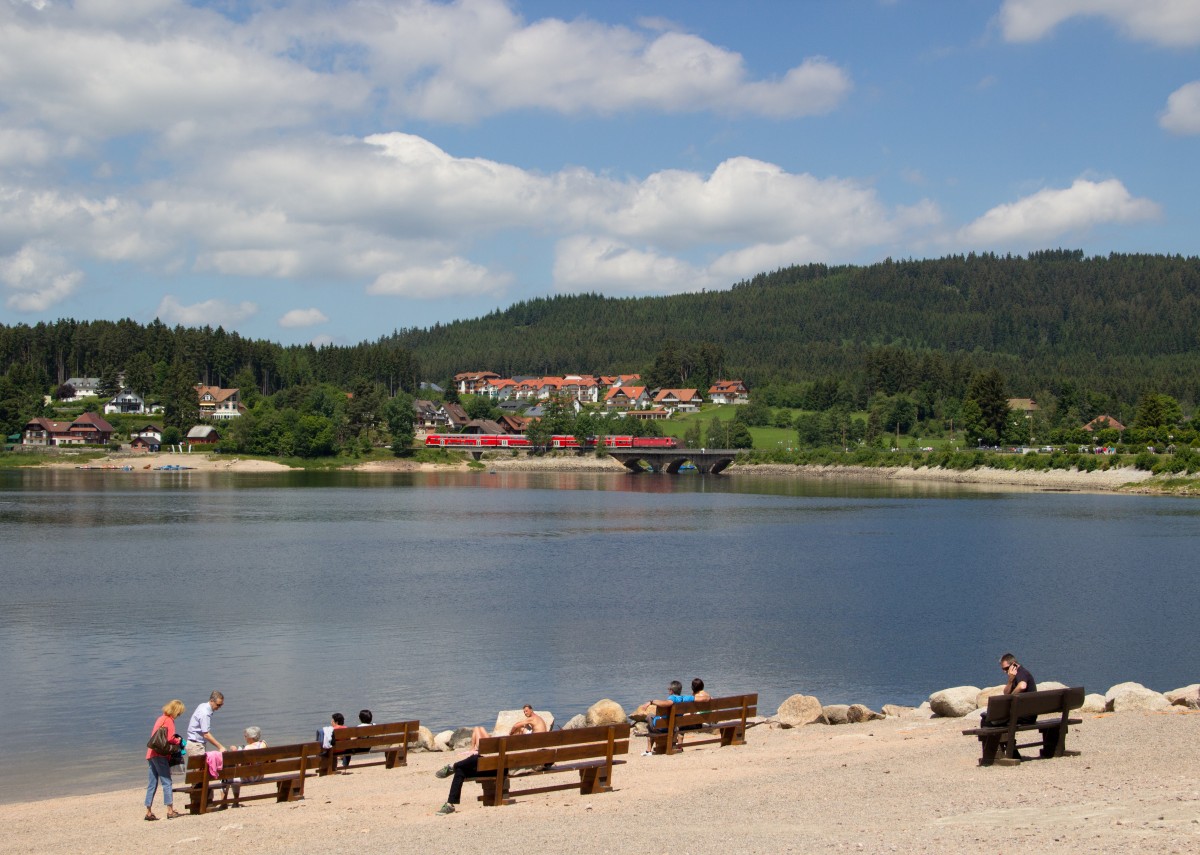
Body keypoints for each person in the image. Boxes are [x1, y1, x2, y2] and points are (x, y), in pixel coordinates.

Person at [434, 704, 546, 815]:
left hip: (504, 768)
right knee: (461, 770)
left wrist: (514, 734)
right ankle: (450, 803)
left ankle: (453, 767)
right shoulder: (534, 749)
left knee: (474, 759)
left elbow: (517, 732)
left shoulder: (527, 752)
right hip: (503, 765)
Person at [981, 653, 1038, 758]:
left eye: (1006, 668)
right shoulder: (1015, 675)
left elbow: (1022, 686)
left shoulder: (1022, 673)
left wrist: (1012, 696)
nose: (1005, 671)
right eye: (1003, 669)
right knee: (990, 718)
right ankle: (1012, 750)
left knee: (987, 720)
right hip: (1026, 715)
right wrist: (1010, 680)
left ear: (1014, 665)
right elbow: (1005, 693)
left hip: (1024, 716)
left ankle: (992, 755)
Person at [144, 699, 185, 821]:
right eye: (179, 713)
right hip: (161, 755)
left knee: (152, 784)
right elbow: (170, 738)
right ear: (176, 711)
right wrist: (180, 741)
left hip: (151, 754)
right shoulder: (169, 721)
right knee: (167, 782)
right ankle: (170, 810)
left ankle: (148, 811)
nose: (179, 715)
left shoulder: (160, 719)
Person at [220, 726, 267, 806]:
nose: (245, 738)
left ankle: (224, 803)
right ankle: (235, 802)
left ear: (250, 737)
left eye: (245, 736)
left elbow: (239, 765)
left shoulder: (247, 748)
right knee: (233, 776)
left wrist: (234, 751)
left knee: (225, 778)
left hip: (250, 777)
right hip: (260, 775)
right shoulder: (263, 744)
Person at [643, 681, 694, 755]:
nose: (668, 690)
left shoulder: (672, 698)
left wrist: (651, 702)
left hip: (664, 727)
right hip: (675, 726)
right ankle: (678, 746)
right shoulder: (685, 698)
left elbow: (668, 703)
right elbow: (698, 698)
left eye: (669, 689)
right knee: (652, 720)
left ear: (672, 691)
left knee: (649, 718)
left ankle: (648, 750)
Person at [185, 691, 225, 764]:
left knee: (199, 771)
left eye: (221, 705)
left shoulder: (202, 705)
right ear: (211, 701)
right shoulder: (205, 713)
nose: (219, 707)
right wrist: (220, 747)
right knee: (199, 770)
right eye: (218, 705)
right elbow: (206, 734)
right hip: (196, 745)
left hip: (194, 743)